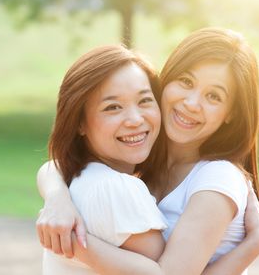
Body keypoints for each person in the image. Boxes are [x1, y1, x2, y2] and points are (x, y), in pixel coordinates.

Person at [37, 28, 259, 274]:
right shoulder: (143, 160)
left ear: (231, 113)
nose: (191, 103)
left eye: (213, 96)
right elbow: (56, 165)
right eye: (186, 82)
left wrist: (75, 243)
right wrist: (56, 199)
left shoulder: (217, 177)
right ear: (166, 81)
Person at [42, 45, 167, 274]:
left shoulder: (79, 180)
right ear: (79, 122)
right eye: (113, 107)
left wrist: (54, 195)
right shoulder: (114, 189)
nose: (135, 119)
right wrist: (251, 245)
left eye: (144, 101)